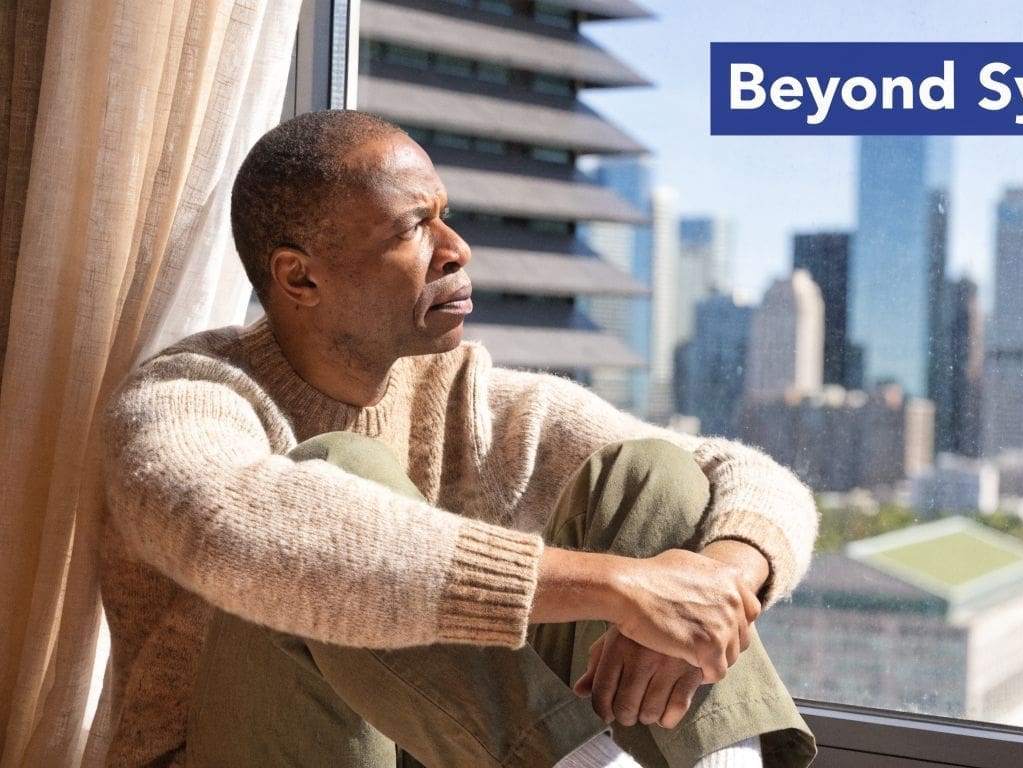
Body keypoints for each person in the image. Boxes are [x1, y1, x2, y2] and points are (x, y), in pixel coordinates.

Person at [97, 110, 818, 768]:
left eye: (447, 217)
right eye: (414, 228)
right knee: (338, 474)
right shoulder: (190, 395)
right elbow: (237, 525)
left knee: (652, 477)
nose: (457, 249)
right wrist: (621, 587)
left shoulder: (465, 396)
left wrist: (713, 583)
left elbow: (748, 477)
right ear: (300, 277)